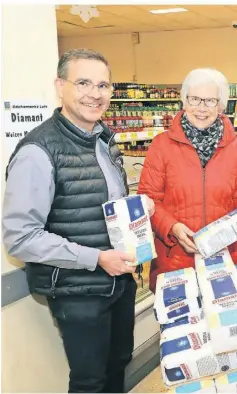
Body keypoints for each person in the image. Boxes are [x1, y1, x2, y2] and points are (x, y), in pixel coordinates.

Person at [2, 48, 154, 393]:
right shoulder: (38, 151)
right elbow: (20, 237)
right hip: (78, 289)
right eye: (83, 82)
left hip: (118, 281)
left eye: (103, 85)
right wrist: (97, 258)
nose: (94, 93)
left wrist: (136, 210)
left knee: (118, 365)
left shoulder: (103, 140)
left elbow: (93, 205)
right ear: (60, 86)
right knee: (89, 381)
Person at [137, 68, 237, 292]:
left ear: (221, 106)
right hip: (175, 261)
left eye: (210, 101)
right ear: (184, 101)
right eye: (195, 99)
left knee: (224, 325)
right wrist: (172, 227)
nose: (202, 108)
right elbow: (148, 200)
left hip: (224, 261)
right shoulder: (161, 146)